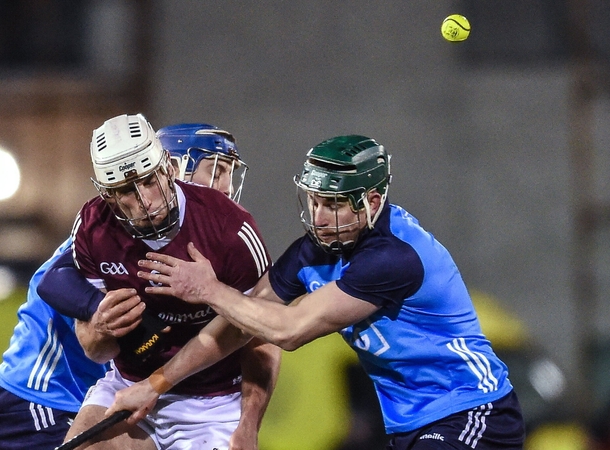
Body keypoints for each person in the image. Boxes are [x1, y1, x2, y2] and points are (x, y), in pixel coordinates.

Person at [110, 135, 526, 449]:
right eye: (314, 202)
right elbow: (240, 324)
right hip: (409, 425)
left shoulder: (393, 257)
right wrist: (155, 384)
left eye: (334, 204)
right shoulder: (313, 251)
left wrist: (210, 289)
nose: (319, 217)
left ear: (372, 201)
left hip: (472, 410)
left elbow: (289, 331)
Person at [0, 115, 278, 449]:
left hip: (185, 397)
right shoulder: (98, 229)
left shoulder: (230, 229)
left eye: (229, 174)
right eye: (216, 171)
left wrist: (212, 293)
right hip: (49, 393)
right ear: (173, 167)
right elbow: (64, 302)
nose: (226, 187)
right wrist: (98, 313)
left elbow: (264, 333)